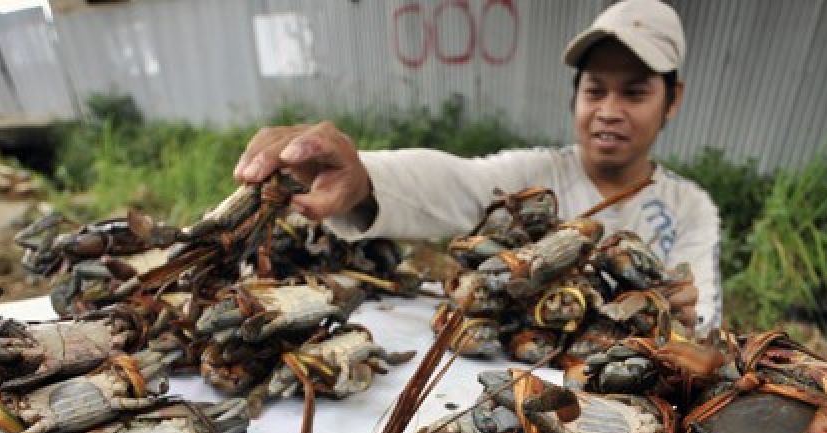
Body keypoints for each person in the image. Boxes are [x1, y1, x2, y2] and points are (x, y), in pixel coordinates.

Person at [234, 0, 723, 333]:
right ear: (575, 95)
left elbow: (702, 322)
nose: (609, 110)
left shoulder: (688, 206)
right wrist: (362, 177)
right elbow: (455, 180)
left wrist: (684, 312)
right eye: (595, 90)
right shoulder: (537, 178)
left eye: (635, 92)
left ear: (672, 100)